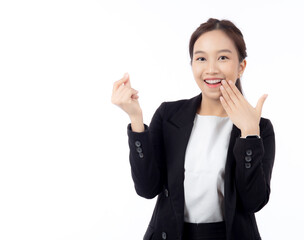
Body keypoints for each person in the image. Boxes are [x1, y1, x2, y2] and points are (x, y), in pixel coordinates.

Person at [111, 18, 276, 240]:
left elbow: (253, 202)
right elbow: (147, 189)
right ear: (192, 65)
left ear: (241, 66)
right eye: (201, 58)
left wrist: (248, 133)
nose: (211, 69)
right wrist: (136, 119)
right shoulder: (169, 115)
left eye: (223, 57)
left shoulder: (259, 128)